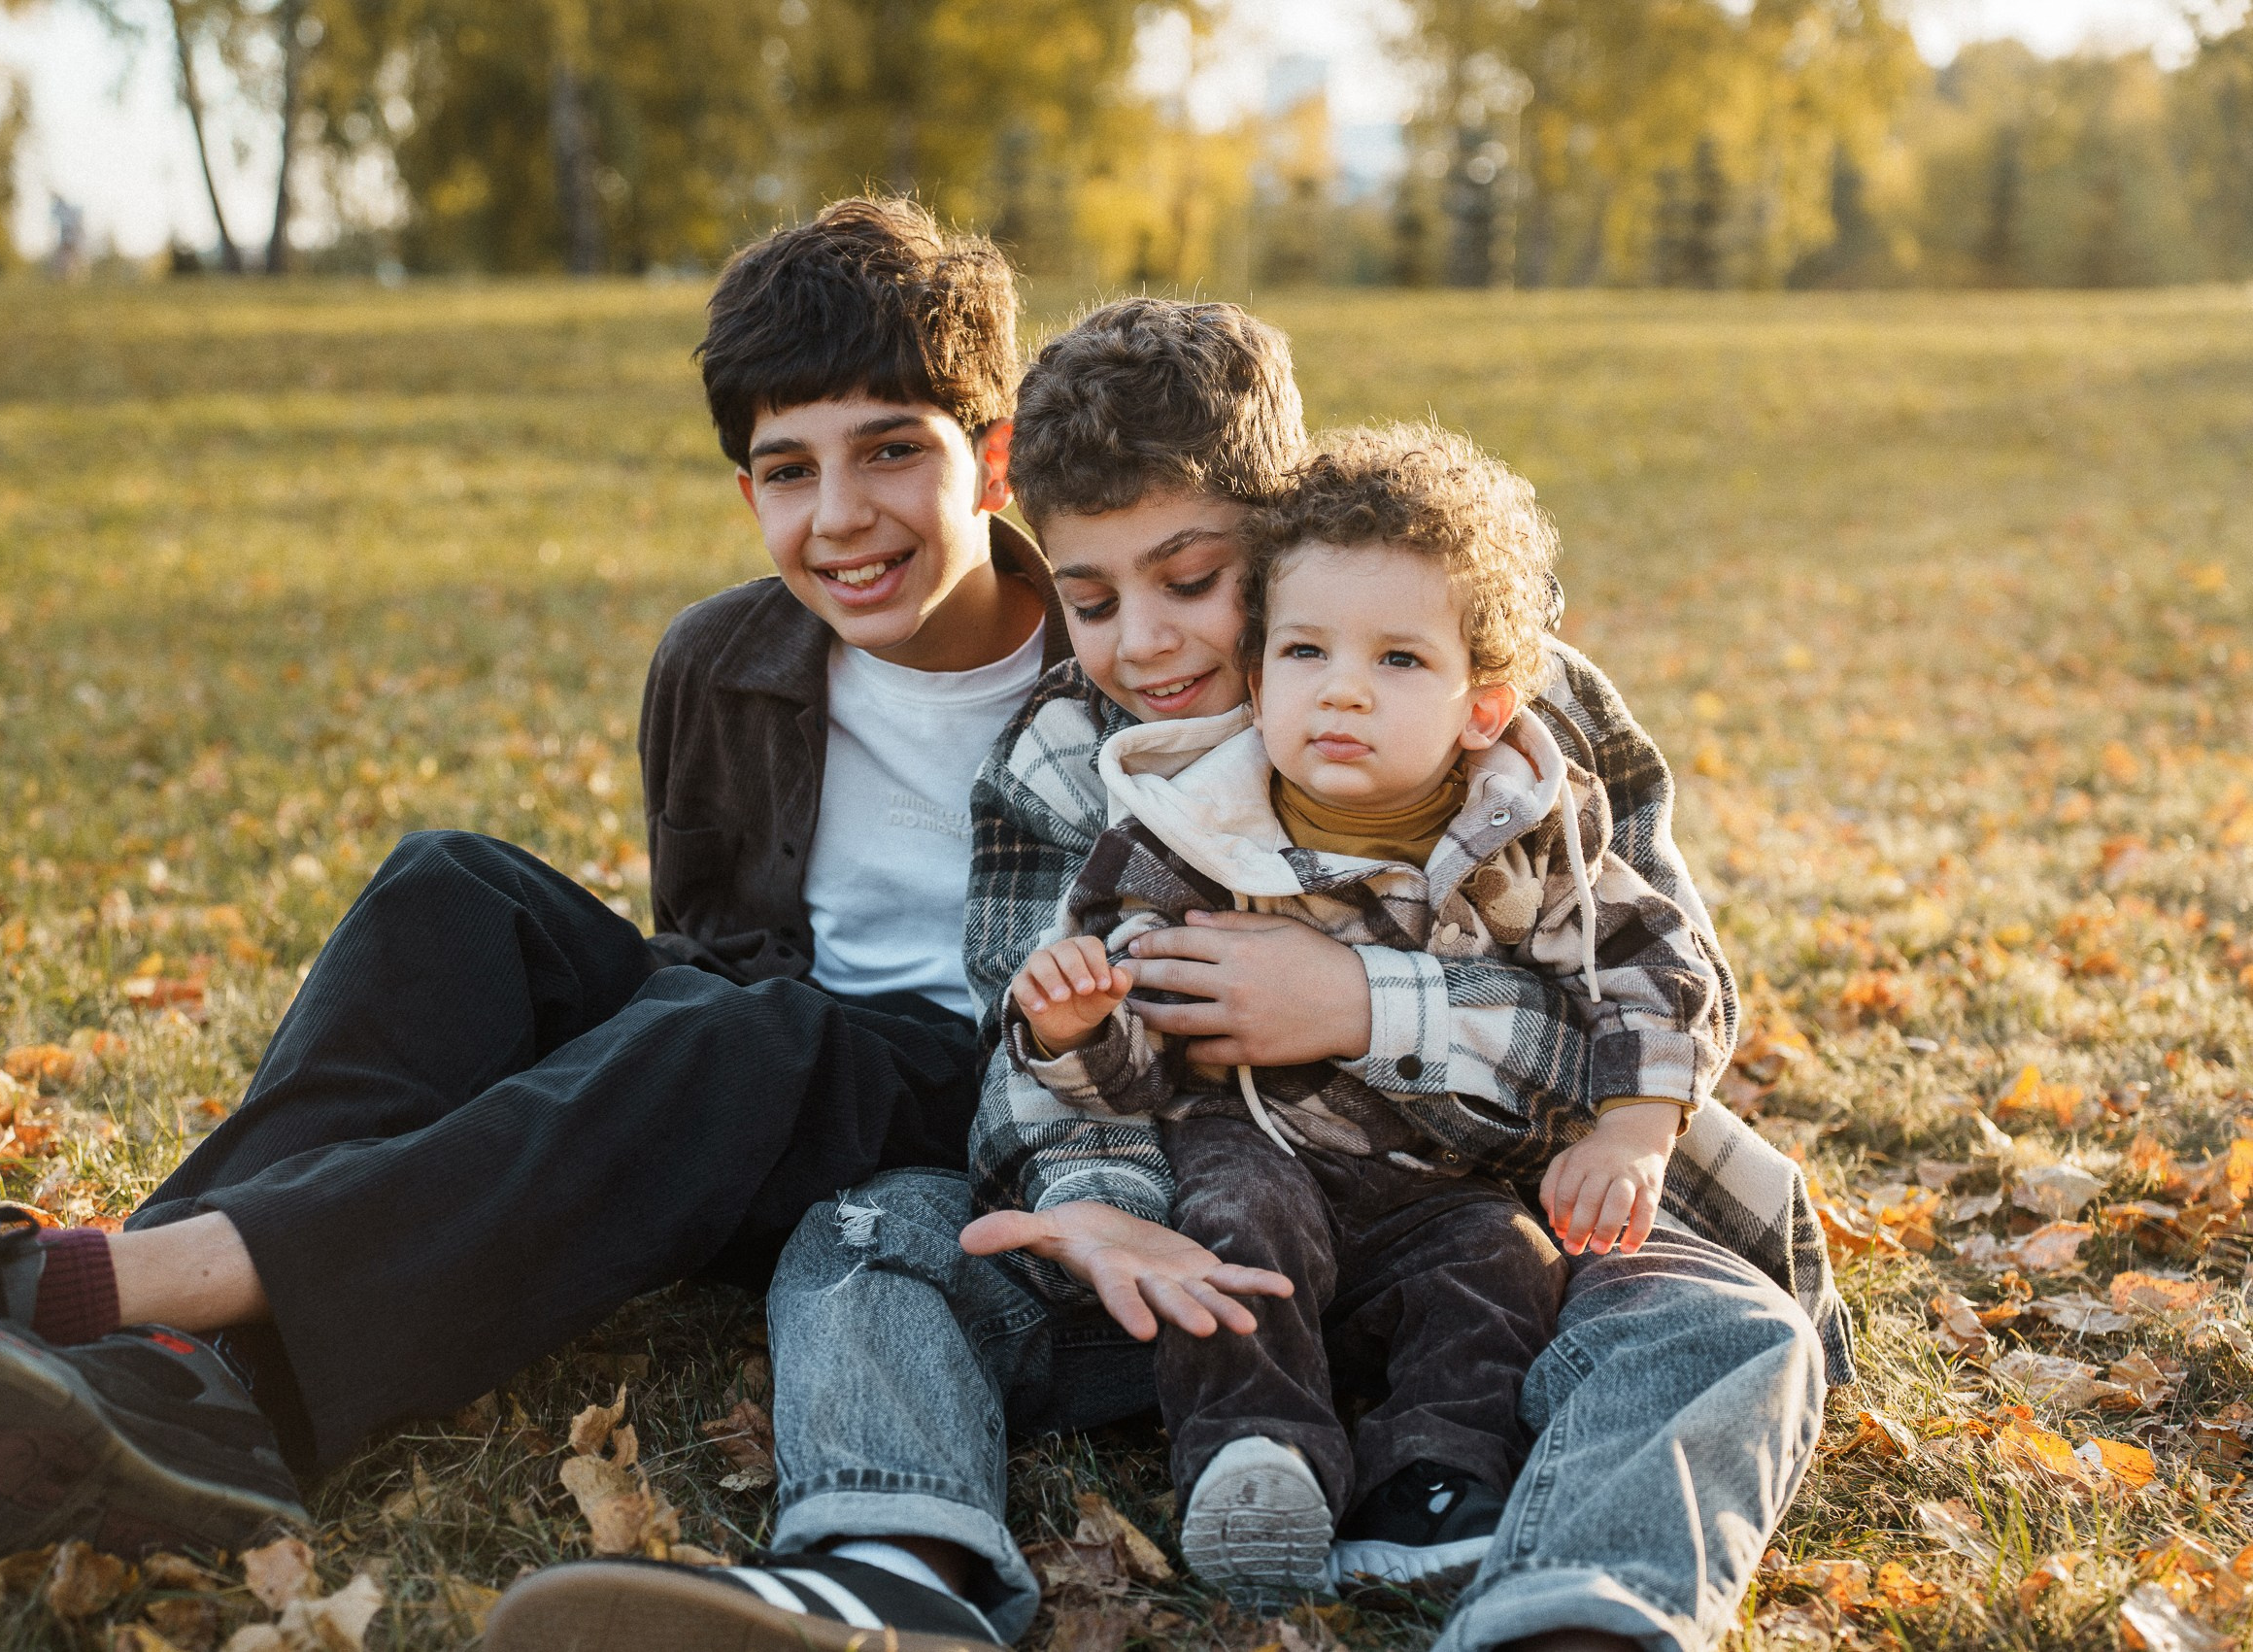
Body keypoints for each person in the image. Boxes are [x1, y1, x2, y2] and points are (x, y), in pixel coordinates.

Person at [0, 198, 1280, 1573]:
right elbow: (713, 940)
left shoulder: (1126, 650)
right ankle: (168, 1372)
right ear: (745, 488)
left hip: (991, 1108)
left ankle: (42, 1289)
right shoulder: (721, 662)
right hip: (756, 1068)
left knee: (740, 1034)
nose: (838, 516)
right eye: (787, 469)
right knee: (455, 891)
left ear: (992, 459)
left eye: (891, 450)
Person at [487, 297, 1850, 1652]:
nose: (1141, 643)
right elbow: (1032, 1026)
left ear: (1286, 528)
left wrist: (1363, 1002)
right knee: (867, 1238)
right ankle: (887, 1569)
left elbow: (1652, 989)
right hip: (1197, 1262)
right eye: (1090, 599)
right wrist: (1099, 1212)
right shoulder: (1061, 754)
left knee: (1720, 1325)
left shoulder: (1508, 694)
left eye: (1191, 582)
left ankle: (1573, 1619)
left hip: (1496, 1236)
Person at [1005, 421, 1735, 1597]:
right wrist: (1076, 1027)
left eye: (1397, 660)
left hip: (1440, 1177)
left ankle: (1432, 1476)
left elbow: (1651, 966)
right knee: (1231, 1228)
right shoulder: (1192, 832)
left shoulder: (1527, 830)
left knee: (1501, 1267)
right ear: (1258, 681)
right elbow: (1141, 1053)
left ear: (1481, 709)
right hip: (1256, 1143)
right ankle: (1255, 1457)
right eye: (1305, 652)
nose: (1341, 689)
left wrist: (1633, 1130)